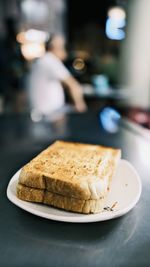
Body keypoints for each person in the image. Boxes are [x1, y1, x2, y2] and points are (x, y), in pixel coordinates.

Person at [29, 34, 87, 116]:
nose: (64, 50)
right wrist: (80, 105)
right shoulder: (50, 60)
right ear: (54, 47)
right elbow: (73, 85)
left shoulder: (44, 60)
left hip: (43, 111)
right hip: (50, 113)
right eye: (62, 47)